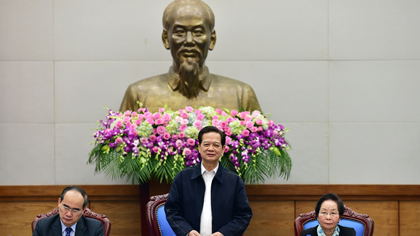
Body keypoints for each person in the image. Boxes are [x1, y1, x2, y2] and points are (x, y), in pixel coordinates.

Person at [119, 0, 261, 113]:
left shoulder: (241, 94)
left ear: (212, 39)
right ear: (166, 39)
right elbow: (117, 147)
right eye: (179, 32)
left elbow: (261, 147)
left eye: (198, 32)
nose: (188, 41)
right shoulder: (139, 94)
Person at [165, 126, 252, 236]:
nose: (211, 149)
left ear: (223, 149)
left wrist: (223, 233)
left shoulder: (234, 181)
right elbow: (171, 211)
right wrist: (187, 232)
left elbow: (243, 216)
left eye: (216, 145)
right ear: (199, 147)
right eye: (206, 144)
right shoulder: (183, 178)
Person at [33, 186, 104, 236]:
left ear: (83, 210)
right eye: (66, 207)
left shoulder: (95, 228)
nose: (69, 214)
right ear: (59, 202)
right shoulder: (43, 226)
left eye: (75, 210)